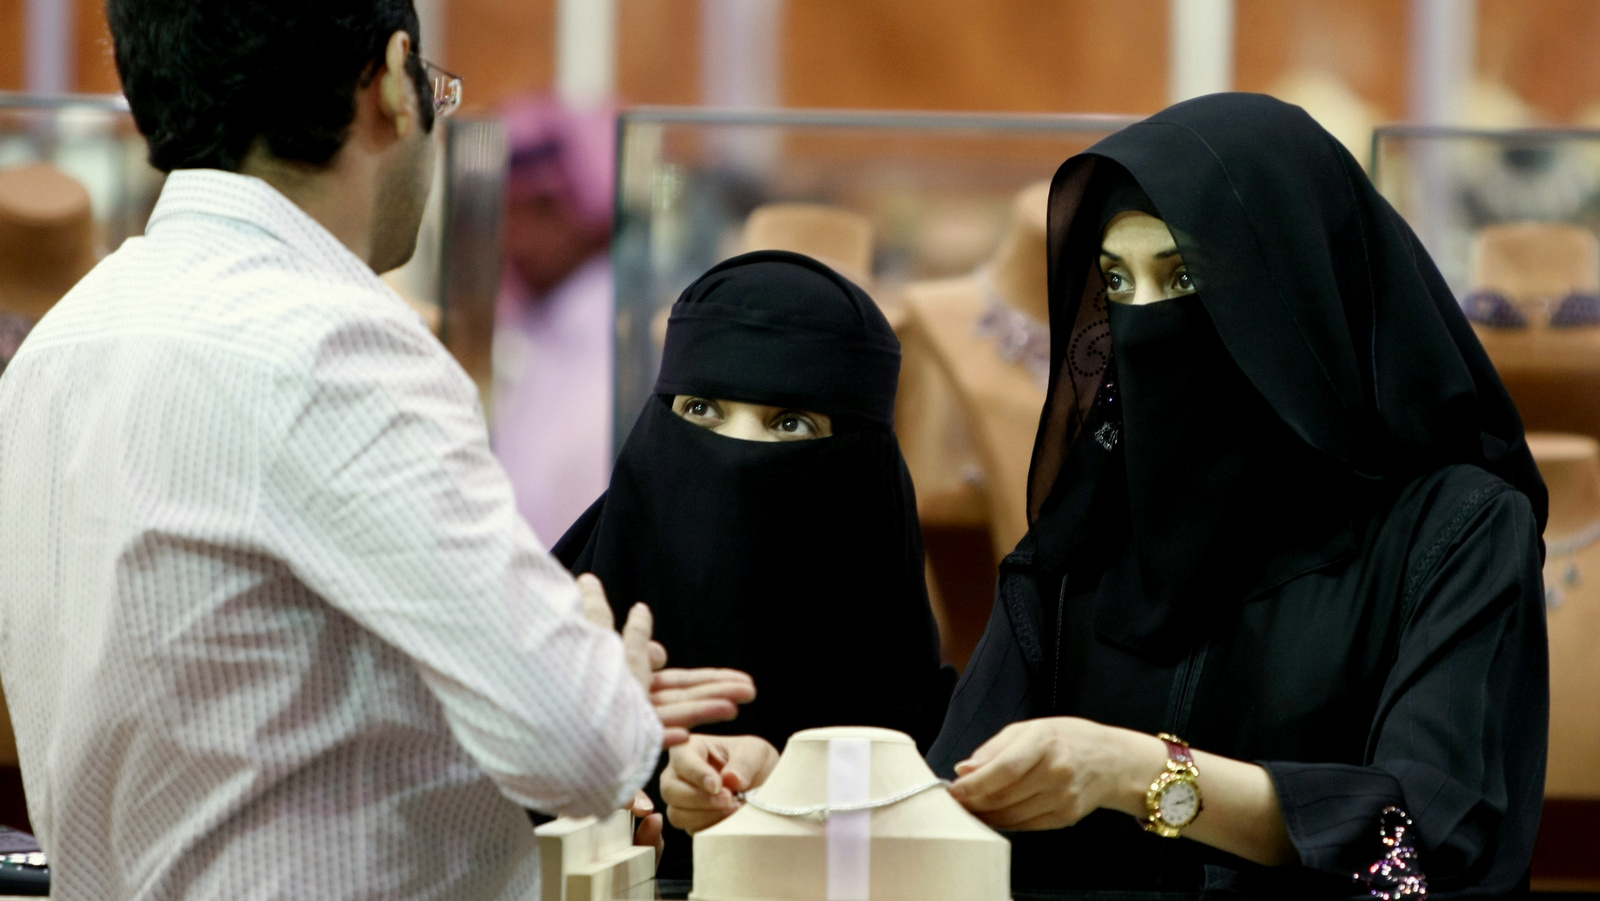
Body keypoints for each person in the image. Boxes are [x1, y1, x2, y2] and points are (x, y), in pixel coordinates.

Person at [662, 94, 1549, 899]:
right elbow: (952, 803)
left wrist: (1145, 773)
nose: (1146, 322)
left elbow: (1424, 845)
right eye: (1119, 284)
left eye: (1183, 276)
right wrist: (776, 785)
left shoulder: (1454, 531)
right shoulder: (1084, 545)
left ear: (1294, 292)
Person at [0, 3, 750, 899]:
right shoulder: (340, 344)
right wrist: (602, 667)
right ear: (396, 81)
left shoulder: (60, 345)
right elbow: (581, 749)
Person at [553, 250, 955, 879]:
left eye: (790, 424)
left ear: (864, 470)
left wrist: (793, 802)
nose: (735, 456)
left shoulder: (939, 739)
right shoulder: (555, 651)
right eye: (701, 411)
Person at [491, 96, 618, 543]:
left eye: (544, 208)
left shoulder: (629, 335)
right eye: (508, 207)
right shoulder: (519, 327)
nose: (517, 233)